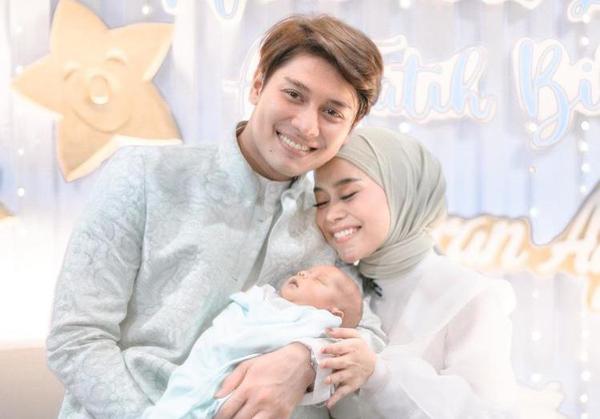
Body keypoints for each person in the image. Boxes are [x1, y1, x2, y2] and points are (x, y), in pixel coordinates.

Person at [46, 14, 385, 419]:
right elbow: (76, 338)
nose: (306, 125)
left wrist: (306, 360)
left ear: (351, 128)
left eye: (332, 112)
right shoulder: (145, 175)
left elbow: (367, 334)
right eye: (294, 94)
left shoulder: (328, 218)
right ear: (257, 84)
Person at [313, 127, 518, 418]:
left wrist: (379, 375)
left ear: (400, 190)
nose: (331, 215)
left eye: (348, 194)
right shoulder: (337, 288)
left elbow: (486, 412)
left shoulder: (467, 295)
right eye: (321, 201)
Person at [143, 265, 362, 419]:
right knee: (181, 400)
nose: (304, 273)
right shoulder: (263, 299)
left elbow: (336, 355)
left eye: (319, 280)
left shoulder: (320, 324)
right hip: (208, 367)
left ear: (334, 313)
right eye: (305, 271)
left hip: (244, 393)